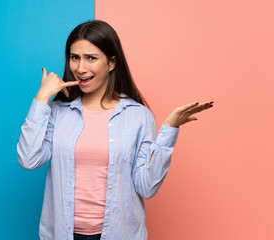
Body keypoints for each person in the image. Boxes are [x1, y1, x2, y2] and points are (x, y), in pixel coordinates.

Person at [17, 20, 213, 240]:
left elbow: (147, 187)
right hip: (63, 234)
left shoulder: (138, 116)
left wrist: (169, 130)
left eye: (91, 58)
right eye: (75, 57)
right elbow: (28, 159)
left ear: (111, 63)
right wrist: (42, 99)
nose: (80, 69)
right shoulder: (56, 112)